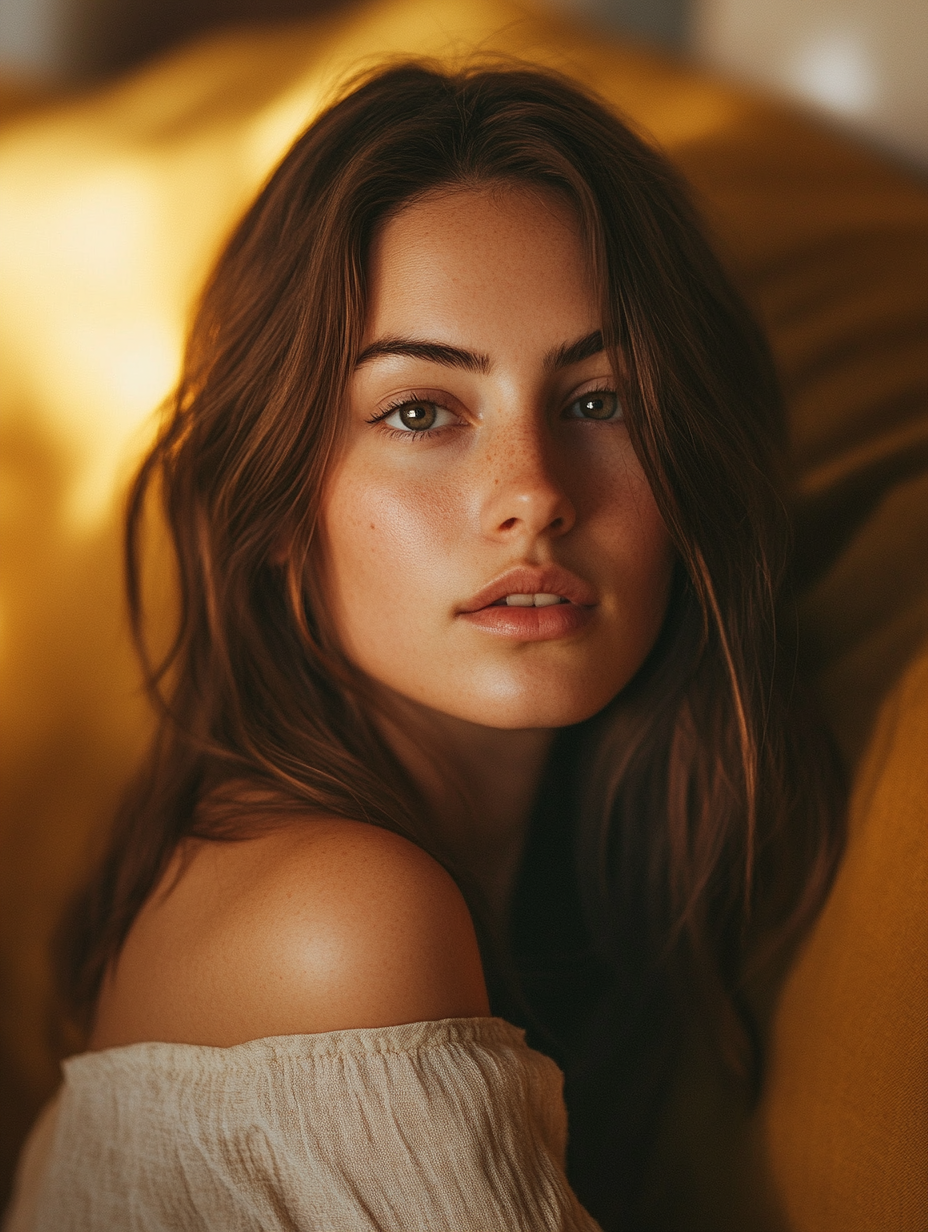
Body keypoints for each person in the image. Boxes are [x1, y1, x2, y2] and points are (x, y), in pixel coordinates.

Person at [6, 61, 844, 1232]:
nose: (534, 494)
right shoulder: (343, 923)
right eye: (420, 411)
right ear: (278, 498)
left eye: (600, 400)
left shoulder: (533, 892)